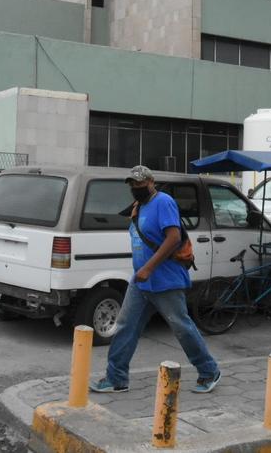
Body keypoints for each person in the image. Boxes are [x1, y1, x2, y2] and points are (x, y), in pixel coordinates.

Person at [90, 165, 221, 394]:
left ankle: (209, 371)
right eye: (132, 184)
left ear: (151, 182)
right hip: (141, 281)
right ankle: (117, 378)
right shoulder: (138, 207)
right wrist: (142, 271)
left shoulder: (163, 202)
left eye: (140, 183)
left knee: (181, 327)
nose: (136, 188)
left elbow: (173, 238)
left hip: (165, 279)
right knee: (125, 326)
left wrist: (148, 268)